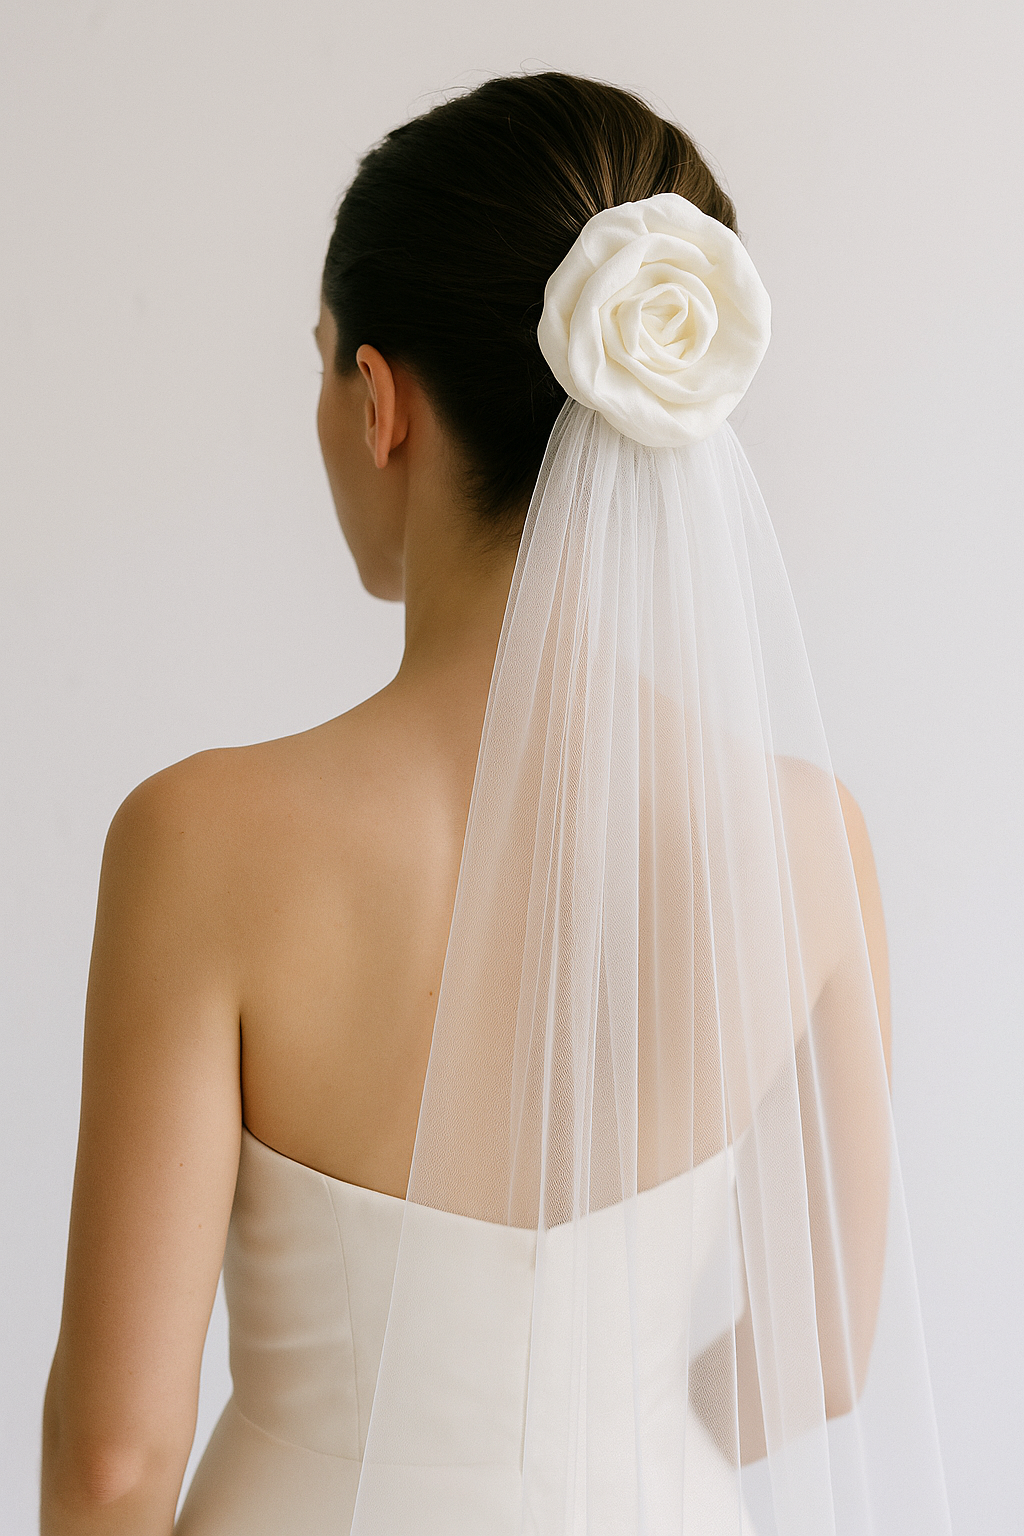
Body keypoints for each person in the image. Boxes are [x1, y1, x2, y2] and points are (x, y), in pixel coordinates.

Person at [40, 71, 951, 1536]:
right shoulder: (804, 842)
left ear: (381, 403)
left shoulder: (201, 840)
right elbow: (826, 1351)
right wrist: (602, 1452)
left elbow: (113, 1461)